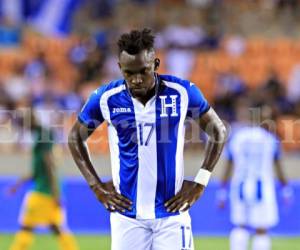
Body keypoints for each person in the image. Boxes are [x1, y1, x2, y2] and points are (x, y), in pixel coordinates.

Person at [68, 28, 227, 250]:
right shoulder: (106, 98)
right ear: (119, 68)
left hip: (172, 214)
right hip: (127, 216)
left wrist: (201, 181)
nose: (136, 79)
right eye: (129, 73)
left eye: (143, 71)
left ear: (156, 63)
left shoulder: (181, 93)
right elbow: (75, 137)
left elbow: (218, 131)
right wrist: (95, 186)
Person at [218, 103, 292, 250]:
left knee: (240, 226)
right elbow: (278, 167)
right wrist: (286, 189)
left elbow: (228, 165)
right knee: (261, 229)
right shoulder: (270, 139)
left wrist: (222, 191)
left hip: (239, 187)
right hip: (262, 188)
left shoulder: (237, 137)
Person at [8, 111, 78, 250]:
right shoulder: (41, 135)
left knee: (26, 227)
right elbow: (38, 171)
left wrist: (56, 193)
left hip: (43, 192)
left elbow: (49, 166)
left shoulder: (43, 137)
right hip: (50, 190)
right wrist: (18, 184)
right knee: (57, 228)